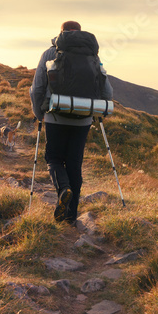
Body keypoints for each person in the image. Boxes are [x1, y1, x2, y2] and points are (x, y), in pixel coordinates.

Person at [30, 20, 114, 225]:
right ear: (80, 32)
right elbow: (107, 90)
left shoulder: (51, 53)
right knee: (75, 163)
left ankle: (63, 189)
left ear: (61, 33)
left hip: (55, 114)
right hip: (83, 118)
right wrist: (100, 111)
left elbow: (37, 88)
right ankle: (71, 217)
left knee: (54, 158)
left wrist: (38, 113)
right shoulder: (92, 55)